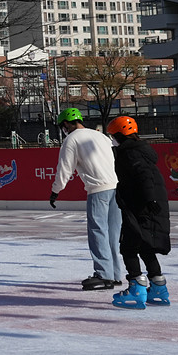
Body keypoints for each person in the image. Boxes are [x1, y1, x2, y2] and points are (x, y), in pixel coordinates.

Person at [49, 108, 123, 290]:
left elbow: (64, 169)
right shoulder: (102, 136)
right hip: (117, 187)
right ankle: (115, 274)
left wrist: (55, 191)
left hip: (98, 190)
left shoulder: (71, 140)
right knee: (113, 234)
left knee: (98, 231)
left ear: (66, 124)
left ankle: (103, 275)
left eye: (62, 126)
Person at [106, 116, 171, 309]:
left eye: (113, 136)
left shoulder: (129, 153)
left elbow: (143, 175)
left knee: (128, 247)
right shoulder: (140, 151)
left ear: (120, 135)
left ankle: (136, 288)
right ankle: (158, 286)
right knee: (146, 247)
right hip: (147, 204)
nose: (112, 140)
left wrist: (149, 198)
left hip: (140, 205)